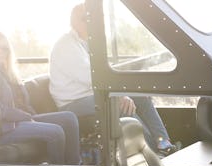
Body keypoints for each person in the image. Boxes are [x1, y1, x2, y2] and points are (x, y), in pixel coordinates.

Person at [49, 3, 177, 156]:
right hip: (72, 104)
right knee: (122, 106)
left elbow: (103, 73)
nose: (92, 22)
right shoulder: (66, 46)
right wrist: (119, 95)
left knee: (140, 96)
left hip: (89, 96)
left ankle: (164, 144)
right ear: (75, 22)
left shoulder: (84, 43)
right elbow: (92, 78)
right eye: (86, 19)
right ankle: (152, 154)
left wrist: (125, 90)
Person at [0, 31, 81, 165]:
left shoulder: (4, 71)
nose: (0, 51)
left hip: (15, 122)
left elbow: (19, 101)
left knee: (69, 118)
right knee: (55, 132)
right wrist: (25, 117)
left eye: (4, 48)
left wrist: (29, 116)